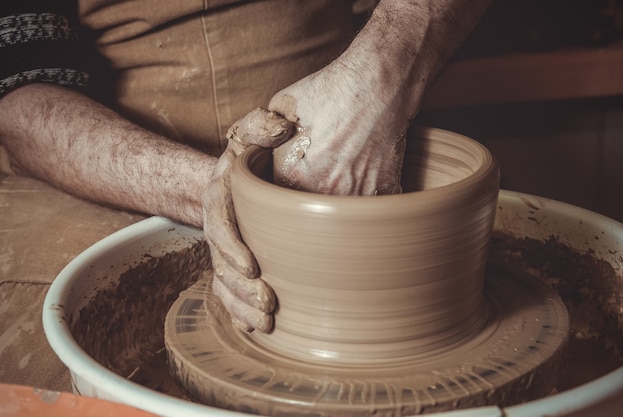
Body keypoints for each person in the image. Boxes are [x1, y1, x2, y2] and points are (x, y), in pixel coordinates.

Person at [0, 0, 491, 387]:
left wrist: (380, 72)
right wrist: (226, 192)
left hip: (343, 128)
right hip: (109, 168)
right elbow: (19, 101)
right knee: (62, 352)